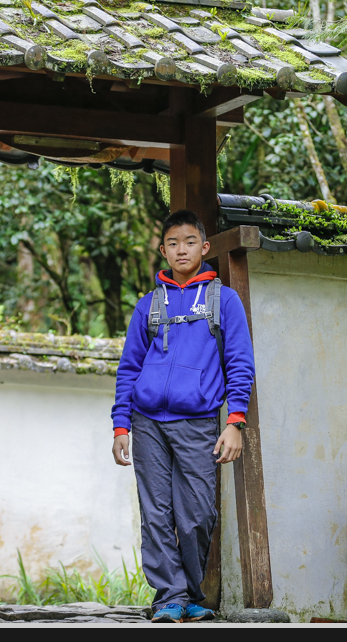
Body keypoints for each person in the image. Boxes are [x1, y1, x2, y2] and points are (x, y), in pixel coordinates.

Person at [111, 209, 255, 623]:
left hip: (198, 422)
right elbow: (129, 368)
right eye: (172, 243)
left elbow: (240, 363)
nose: (181, 249)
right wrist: (121, 425)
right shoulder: (148, 305)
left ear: (204, 247)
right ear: (163, 250)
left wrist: (235, 421)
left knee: (196, 513)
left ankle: (190, 592)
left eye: (189, 242)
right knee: (155, 512)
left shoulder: (223, 300)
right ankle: (169, 596)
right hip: (147, 422)